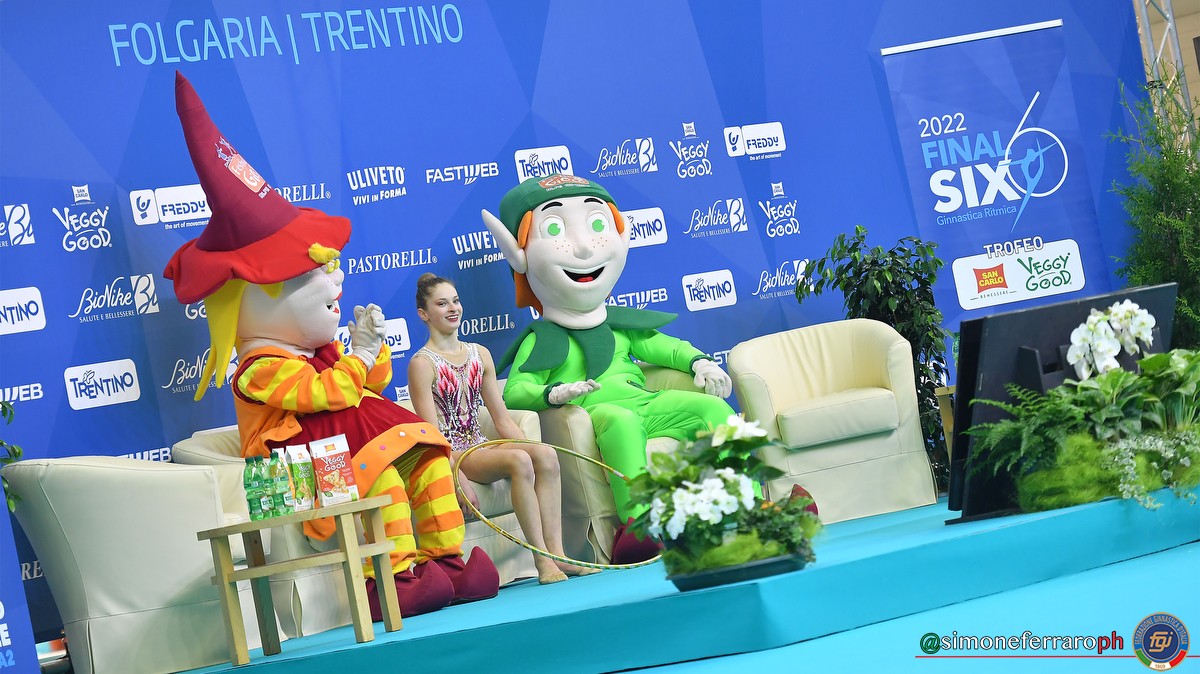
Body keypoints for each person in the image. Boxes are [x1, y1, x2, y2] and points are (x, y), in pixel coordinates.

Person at [162, 72, 498, 618]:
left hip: (337, 449)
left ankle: (449, 561)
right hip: (290, 473)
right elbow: (324, 395)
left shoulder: (319, 353)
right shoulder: (257, 367)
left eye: (326, 268)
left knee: (427, 461)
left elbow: (372, 384)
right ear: (248, 299)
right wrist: (357, 355)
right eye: (305, 275)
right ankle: (391, 577)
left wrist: (371, 347)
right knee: (380, 474)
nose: (332, 283)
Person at [481, 174, 737, 564]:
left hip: (646, 403)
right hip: (598, 413)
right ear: (521, 255)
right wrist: (553, 394)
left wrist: (699, 361)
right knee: (621, 420)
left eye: (598, 224)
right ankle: (640, 527)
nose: (585, 247)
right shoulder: (541, 340)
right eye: (555, 230)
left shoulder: (620, 325)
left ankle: (747, 504)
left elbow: (666, 348)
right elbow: (515, 390)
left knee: (713, 409)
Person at [408, 273, 598, 584]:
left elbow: (502, 420)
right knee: (520, 461)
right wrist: (458, 479)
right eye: (442, 304)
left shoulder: (479, 353)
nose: (453, 308)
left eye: (455, 301)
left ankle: (560, 555)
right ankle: (542, 561)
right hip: (460, 452)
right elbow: (433, 436)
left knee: (545, 454)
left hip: (482, 442)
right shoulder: (422, 364)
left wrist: (533, 449)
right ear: (424, 314)